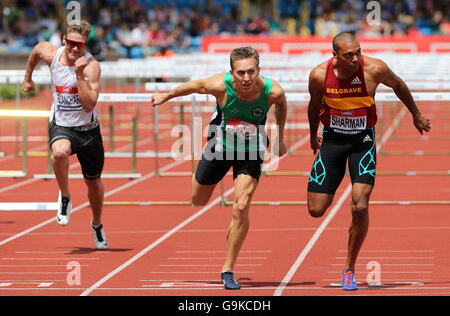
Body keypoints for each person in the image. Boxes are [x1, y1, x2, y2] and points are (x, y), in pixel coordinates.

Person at [151, 46, 288, 289]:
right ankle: (225, 213)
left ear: (259, 70)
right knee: (198, 199)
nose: (246, 78)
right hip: (219, 146)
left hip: (251, 150)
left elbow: (281, 103)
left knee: (241, 206)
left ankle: (228, 269)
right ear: (231, 73)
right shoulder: (219, 85)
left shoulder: (272, 90)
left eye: (251, 72)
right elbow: (193, 86)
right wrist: (165, 95)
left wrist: (281, 137)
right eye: (240, 73)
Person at [307, 32, 431, 290]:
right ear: (335, 56)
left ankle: (349, 269)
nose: (355, 59)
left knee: (360, 206)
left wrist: (416, 114)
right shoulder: (319, 75)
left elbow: (398, 85)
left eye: (358, 52)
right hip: (332, 141)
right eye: (348, 55)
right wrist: (312, 135)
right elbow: (313, 105)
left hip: (362, 142)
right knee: (316, 209)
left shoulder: (374, 69)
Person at [22, 19, 108, 250]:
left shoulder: (91, 67)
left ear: (85, 45)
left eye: (79, 45)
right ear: (63, 40)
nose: (74, 48)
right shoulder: (52, 54)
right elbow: (37, 49)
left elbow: (89, 105)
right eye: (71, 43)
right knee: (59, 154)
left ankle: (97, 224)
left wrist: (79, 76)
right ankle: (66, 196)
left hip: (88, 131)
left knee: (94, 184)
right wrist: (28, 77)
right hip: (62, 126)